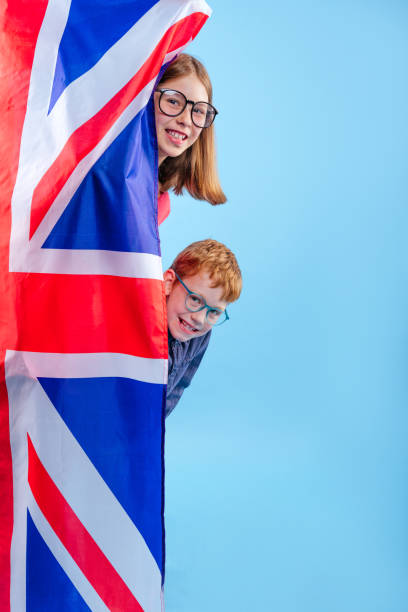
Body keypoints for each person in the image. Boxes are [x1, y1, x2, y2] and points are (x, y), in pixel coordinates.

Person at [163, 239, 242, 417]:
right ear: (169, 282)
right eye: (195, 299)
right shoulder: (142, 318)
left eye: (214, 312)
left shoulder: (200, 335)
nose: (199, 319)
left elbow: (178, 387)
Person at [154, 54, 226, 224]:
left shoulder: (160, 204)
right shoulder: (103, 169)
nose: (185, 120)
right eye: (173, 101)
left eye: (199, 111)